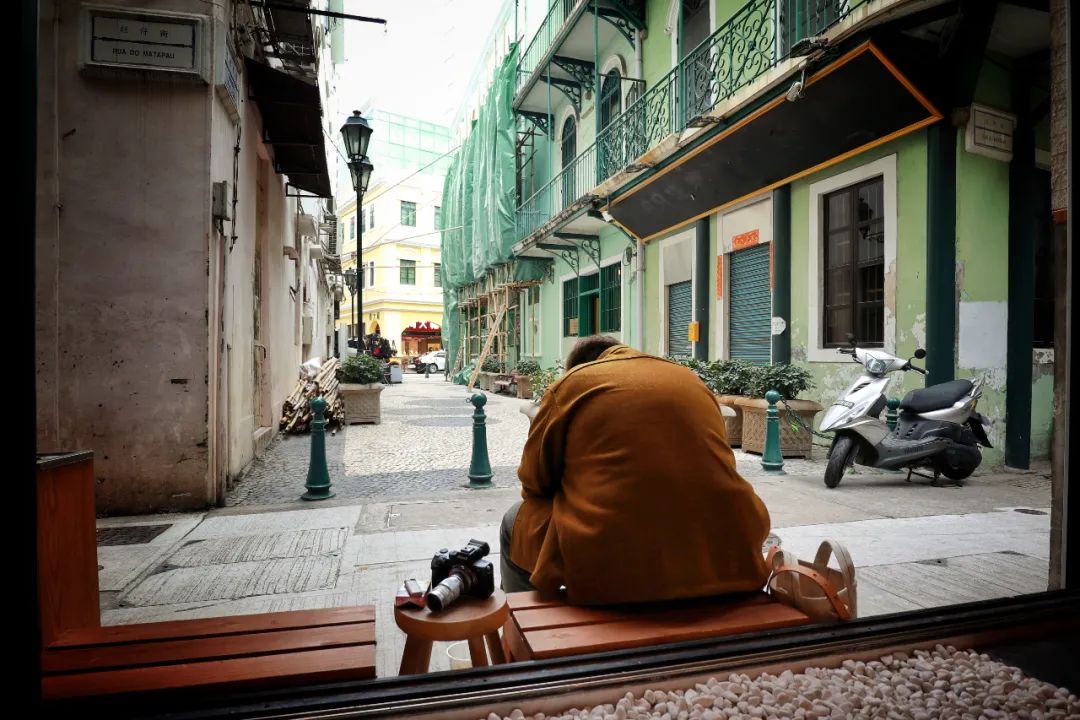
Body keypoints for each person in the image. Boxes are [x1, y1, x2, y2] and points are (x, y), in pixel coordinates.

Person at [500, 335, 772, 605]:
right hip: (727, 547)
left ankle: (527, 625)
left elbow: (534, 482)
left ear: (580, 366)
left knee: (515, 521)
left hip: (615, 564)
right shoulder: (689, 379)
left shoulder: (573, 383)